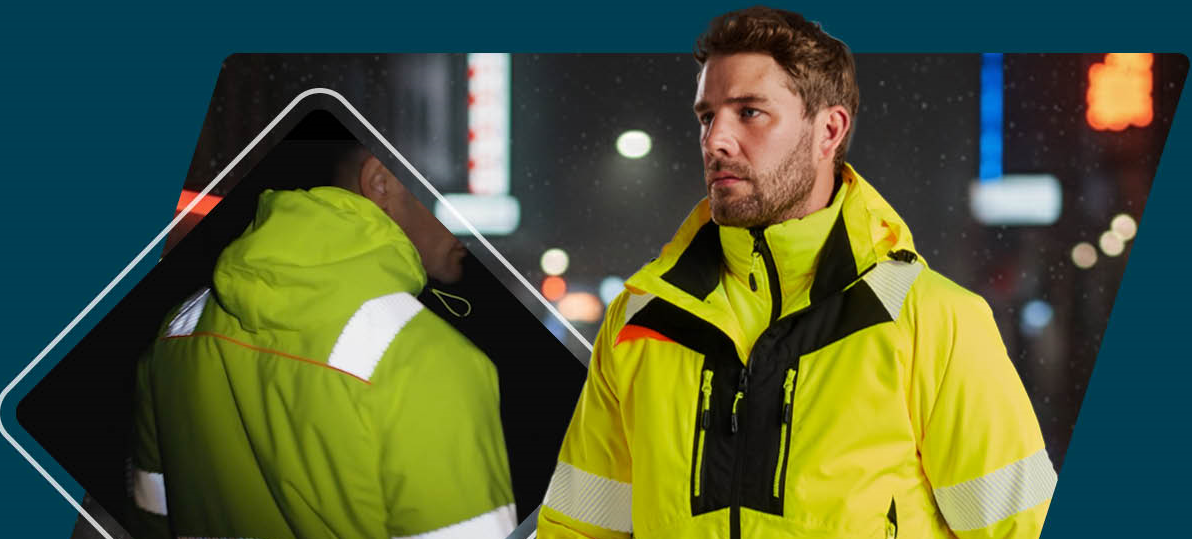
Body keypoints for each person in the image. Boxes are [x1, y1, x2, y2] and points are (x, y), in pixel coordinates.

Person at [538, 7, 1055, 539]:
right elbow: (576, 530)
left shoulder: (933, 321)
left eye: (750, 112)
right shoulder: (638, 323)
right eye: (707, 117)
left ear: (829, 130)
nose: (716, 141)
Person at [127, 139, 514, 539]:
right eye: (448, 190)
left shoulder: (177, 330)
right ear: (382, 182)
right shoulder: (429, 362)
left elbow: (154, 514)